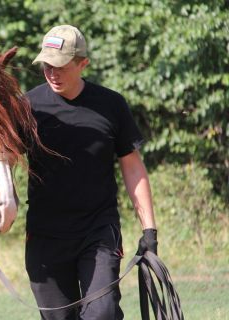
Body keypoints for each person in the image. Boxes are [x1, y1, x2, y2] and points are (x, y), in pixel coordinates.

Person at [24, 25, 158, 319]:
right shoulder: (28, 107)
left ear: (83, 63)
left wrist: (149, 229)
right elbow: (2, 159)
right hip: (46, 235)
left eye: (60, 66)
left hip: (98, 231)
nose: (52, 73)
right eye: (47, 65)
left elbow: (133, 167)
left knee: (103, 312)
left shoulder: (111, 105)